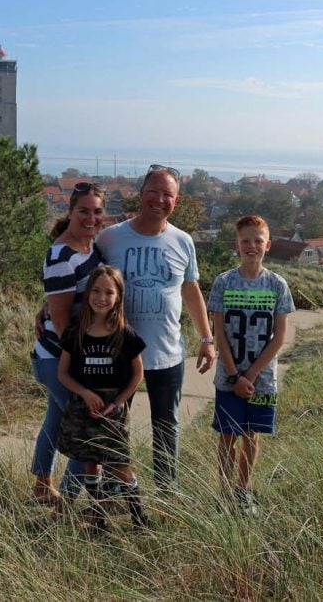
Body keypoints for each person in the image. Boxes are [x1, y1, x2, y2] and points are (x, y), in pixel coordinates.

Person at [94, 164, 215, 490]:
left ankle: (166, 492)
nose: (159, 199)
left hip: (167, 354)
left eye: (168, 194)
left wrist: (206, 337)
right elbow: (83, 280)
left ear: (175, 200)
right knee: (115, 425)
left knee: (167, 426)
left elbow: (190, 290)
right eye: (154, 192)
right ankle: (113, 491)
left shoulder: (183, 241)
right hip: (118, 354)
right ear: (141, 193)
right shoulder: (111, 238)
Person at [208, 215, 295, 515]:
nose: (251, 246)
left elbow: (280, 336)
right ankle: (222, 491)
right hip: (228, 378)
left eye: (258, 241)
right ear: (237, 244)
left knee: (251, 435)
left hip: (263, 380)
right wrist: (235, 376)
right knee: (227, 435)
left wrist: (252, 375)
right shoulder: (223, 282)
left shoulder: (277, 285)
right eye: (245, 240)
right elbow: (219, 333)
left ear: (267, 245)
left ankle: (242, 491)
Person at [56, 266, 149, 530]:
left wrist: (118, 403)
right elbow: (63, 373)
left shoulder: (125, 333)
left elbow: (137, 374)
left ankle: (139, 518)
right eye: (96, 291)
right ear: (87, 295)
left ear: (118, 297)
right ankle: (98, 519)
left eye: (109, 292)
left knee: (120, 464)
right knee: (90, 462)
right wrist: (84, 393)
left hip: (112, 409)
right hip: (83, 408)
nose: (101, 297)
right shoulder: (76, 332)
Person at [30, 182, 106, 504]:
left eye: (97, 211)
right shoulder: (62, 255)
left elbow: (63, 301)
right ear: (71, 212)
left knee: (56, 419)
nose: (91, 218)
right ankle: (67, 503)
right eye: (83, 211)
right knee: (88, 429)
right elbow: (62, 323)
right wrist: (80, 368)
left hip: (62, 354)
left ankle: (41, 486)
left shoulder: (90, 246)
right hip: (58, 358)